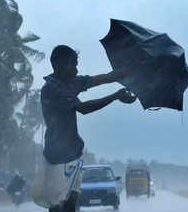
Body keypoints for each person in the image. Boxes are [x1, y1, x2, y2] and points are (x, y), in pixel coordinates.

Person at [31, 45, 136, 212]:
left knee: (71, 204)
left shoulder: (70, 82)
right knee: (59, 206)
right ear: (58, 65)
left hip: (72, 153)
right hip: (57, 157)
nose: (76, 69)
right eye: (73, 64)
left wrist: (127, 72)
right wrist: (116, 96)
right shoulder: (52, 89)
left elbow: (102, 78)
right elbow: (84, 108)